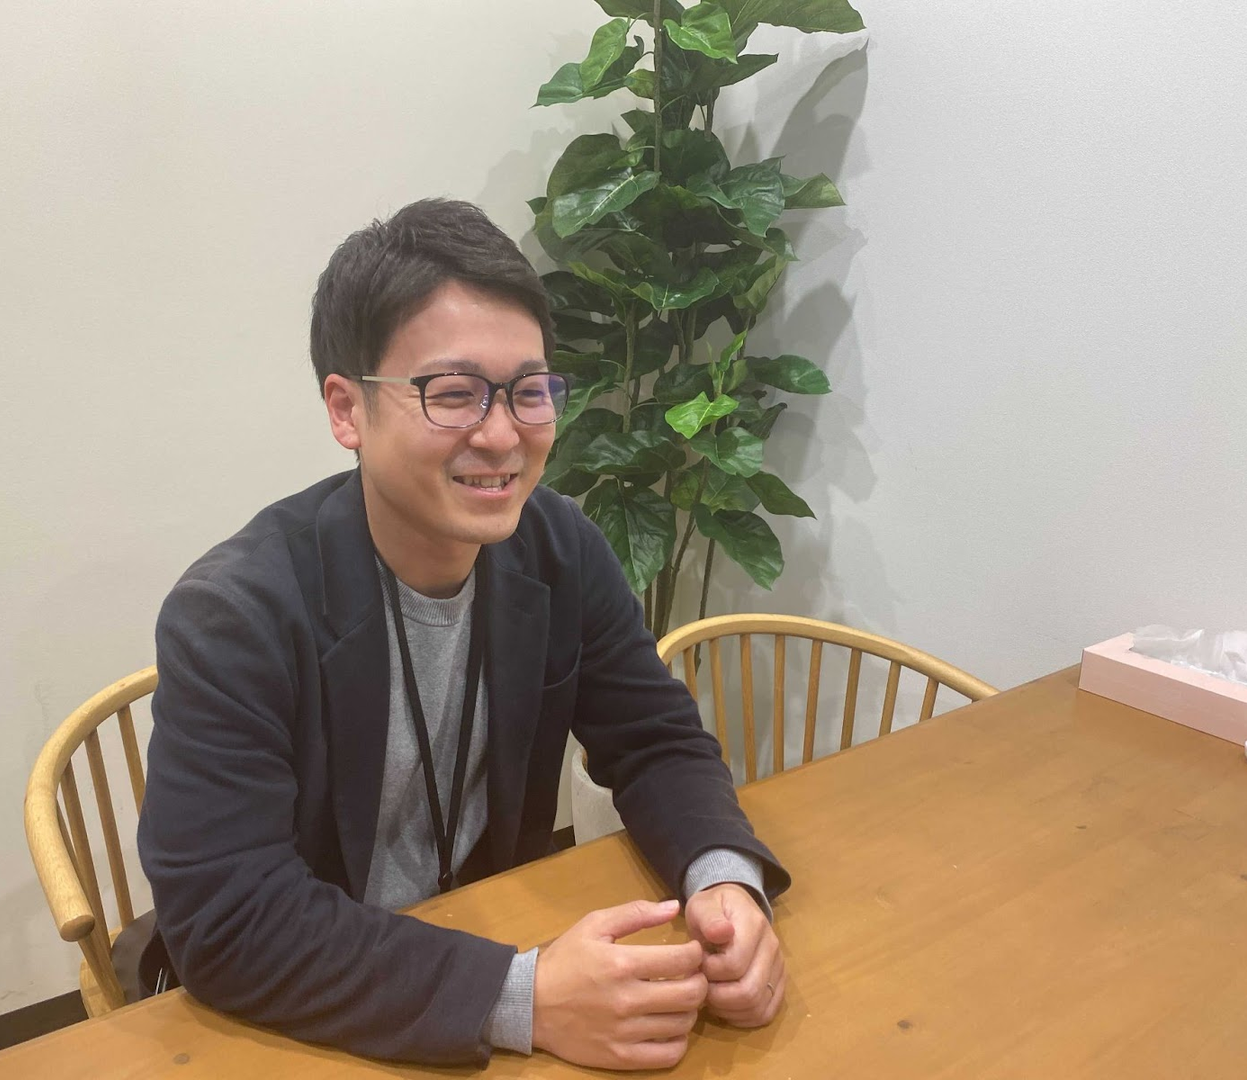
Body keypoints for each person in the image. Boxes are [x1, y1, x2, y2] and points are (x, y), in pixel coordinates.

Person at [137, 198, 791, 1069]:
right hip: (308, 1015)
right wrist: (516, 997)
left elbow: (655, 740)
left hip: (491, 934)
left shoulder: (558, 546)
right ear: (347, 409)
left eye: (530, 391)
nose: (503, 434)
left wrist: (724, 881)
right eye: (452, 395)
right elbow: (231, 919)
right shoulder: (235, 614)